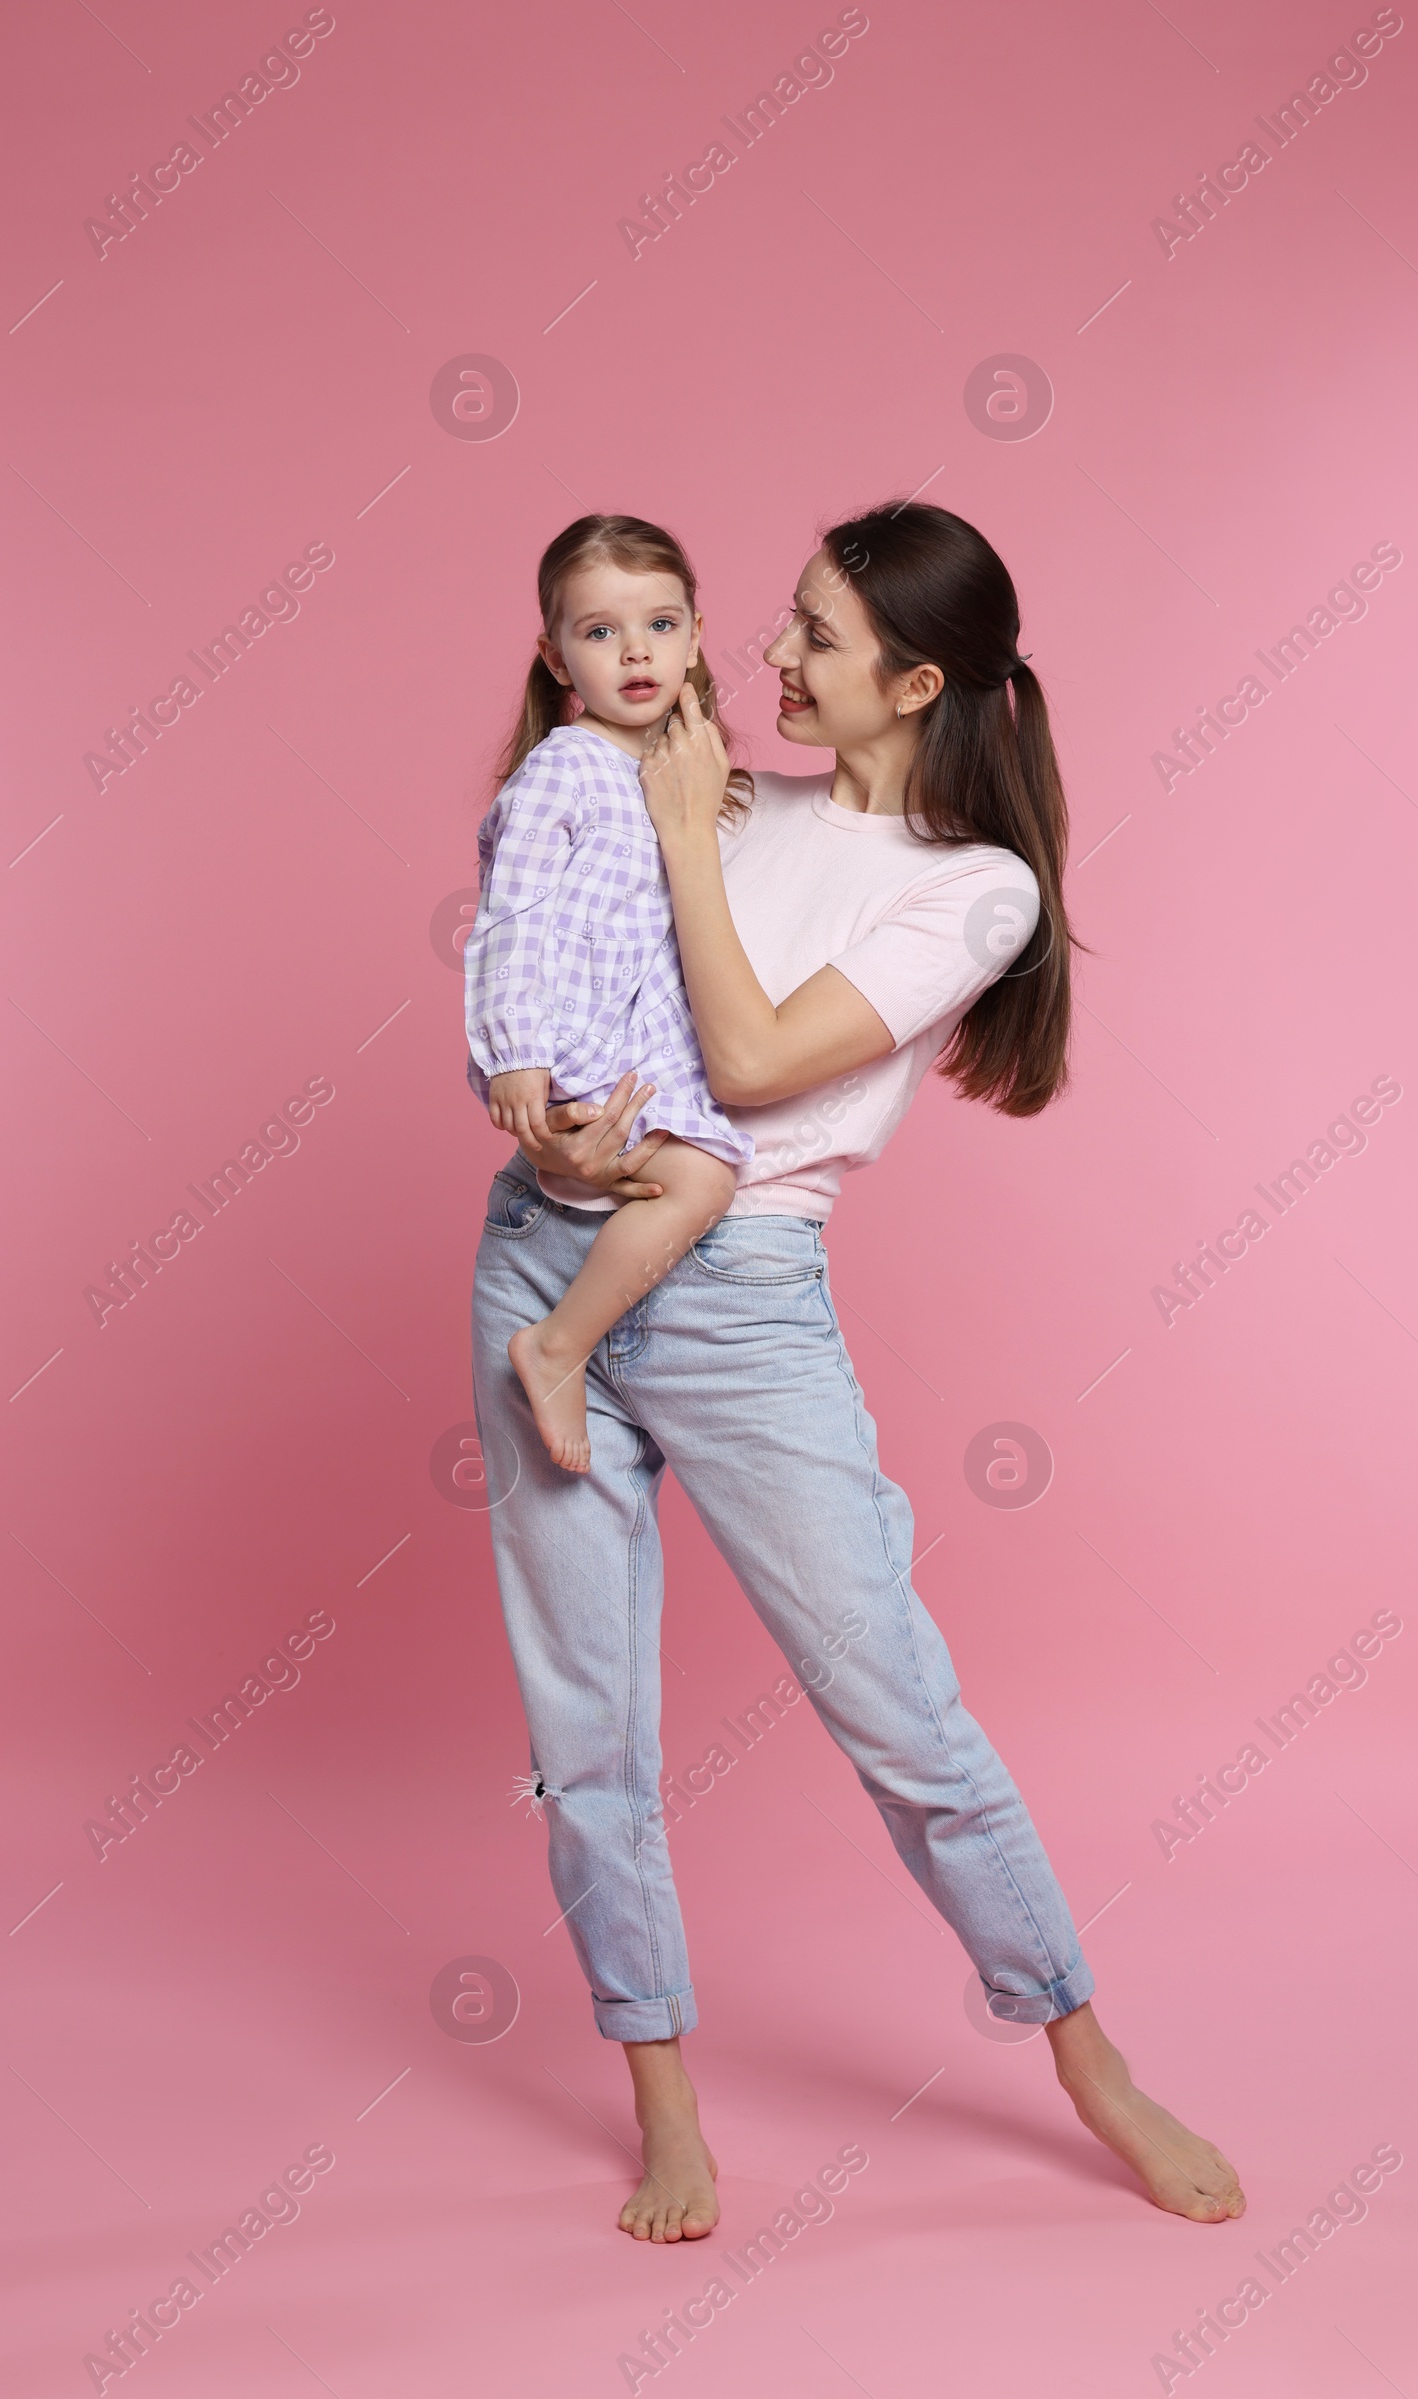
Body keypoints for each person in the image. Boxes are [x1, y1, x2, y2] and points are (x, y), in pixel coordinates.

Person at [468, 501, 1246, 2241]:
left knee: (900, 1709)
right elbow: (563, 957)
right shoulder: (717, 789)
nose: (766, 660)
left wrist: (684, 836)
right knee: (586, 1729)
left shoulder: (973, 886)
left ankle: (1088, 2058)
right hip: (546, 1253)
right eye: (777, 624)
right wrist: (549, 1108)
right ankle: (662, 2096)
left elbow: (744, 1065)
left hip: (743, 1305)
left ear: (910, 679)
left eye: (811, 635)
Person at [466, 515, 752, 1473]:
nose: (636, 651)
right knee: (700, 1179)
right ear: (555, 658)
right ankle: (556, 1344)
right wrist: (515, 1052)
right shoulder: (565, 768)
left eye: (661, 625)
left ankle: (565, 1339)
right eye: (600, 632)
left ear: (698, 636)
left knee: (694, 1174)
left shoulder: (684, 770)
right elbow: (514, 914)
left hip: (650, 1041)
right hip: (582, 1037)